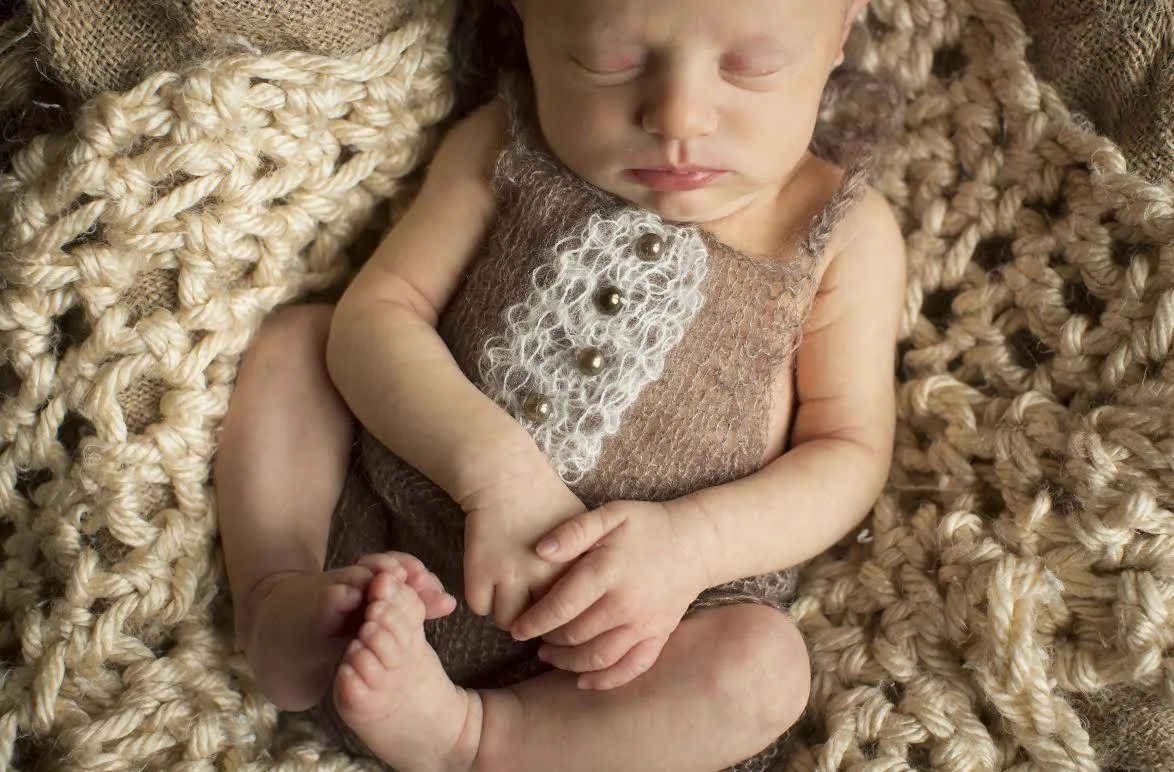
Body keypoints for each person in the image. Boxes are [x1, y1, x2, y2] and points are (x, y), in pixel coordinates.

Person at [212, 0, 906, 769]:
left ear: (840, 33)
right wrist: (491, 472)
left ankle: (475, 740)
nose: (678, 116)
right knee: (301, 342)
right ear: (528, 22)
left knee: (762, 670)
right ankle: (278, 598)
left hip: (631, 647)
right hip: (380, 554)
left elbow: (845, 451)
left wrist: (692, 547)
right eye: (609, 61)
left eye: (752, 66)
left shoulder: (843, 233)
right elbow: (380, 315)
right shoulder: (505, 143)